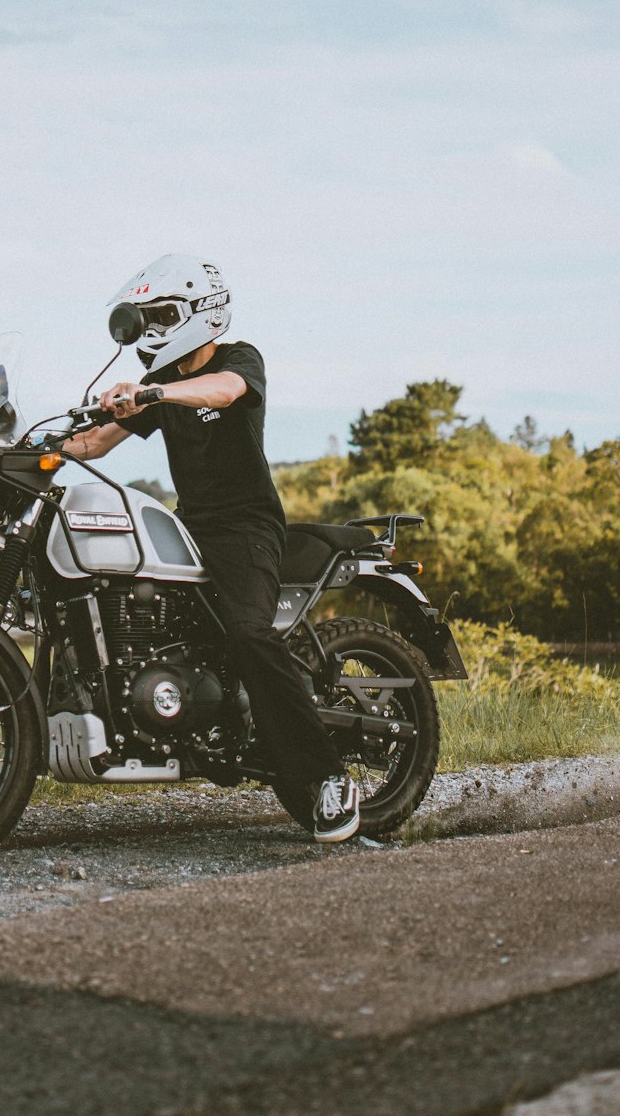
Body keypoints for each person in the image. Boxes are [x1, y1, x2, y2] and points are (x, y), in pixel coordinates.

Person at [63, 254, 359, 842]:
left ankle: (329, 777)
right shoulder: (164, 389)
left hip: (246, 527)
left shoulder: (234, 360)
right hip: (191, 524)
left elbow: (226, 391)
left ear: (200, 312)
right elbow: (96, 443)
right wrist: (34, 446)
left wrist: (151, 392)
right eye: (145, 319)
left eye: (162, 315)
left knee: (249, 633)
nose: (151, 330)